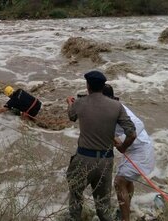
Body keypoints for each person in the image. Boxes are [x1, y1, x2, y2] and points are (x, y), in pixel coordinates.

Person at [66, 70, 137, 221]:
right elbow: (132, 134)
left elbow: (71, 116)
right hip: (106, 162)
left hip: (83, 159)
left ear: (88, 86)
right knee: (103, 206)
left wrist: (69, 104)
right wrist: (123, 148)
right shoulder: (117, 106)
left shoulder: (80, 103)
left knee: (75, 199)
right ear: (103, 86)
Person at [102, 84, 155, 221]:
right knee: (126, 181)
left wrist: (123, 145)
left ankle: (125, 219)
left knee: (119, 182)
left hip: (141, 150)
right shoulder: (108, 108)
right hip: (133, 149)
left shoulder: (119, 109)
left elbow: (138, 125)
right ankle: (126, 211)